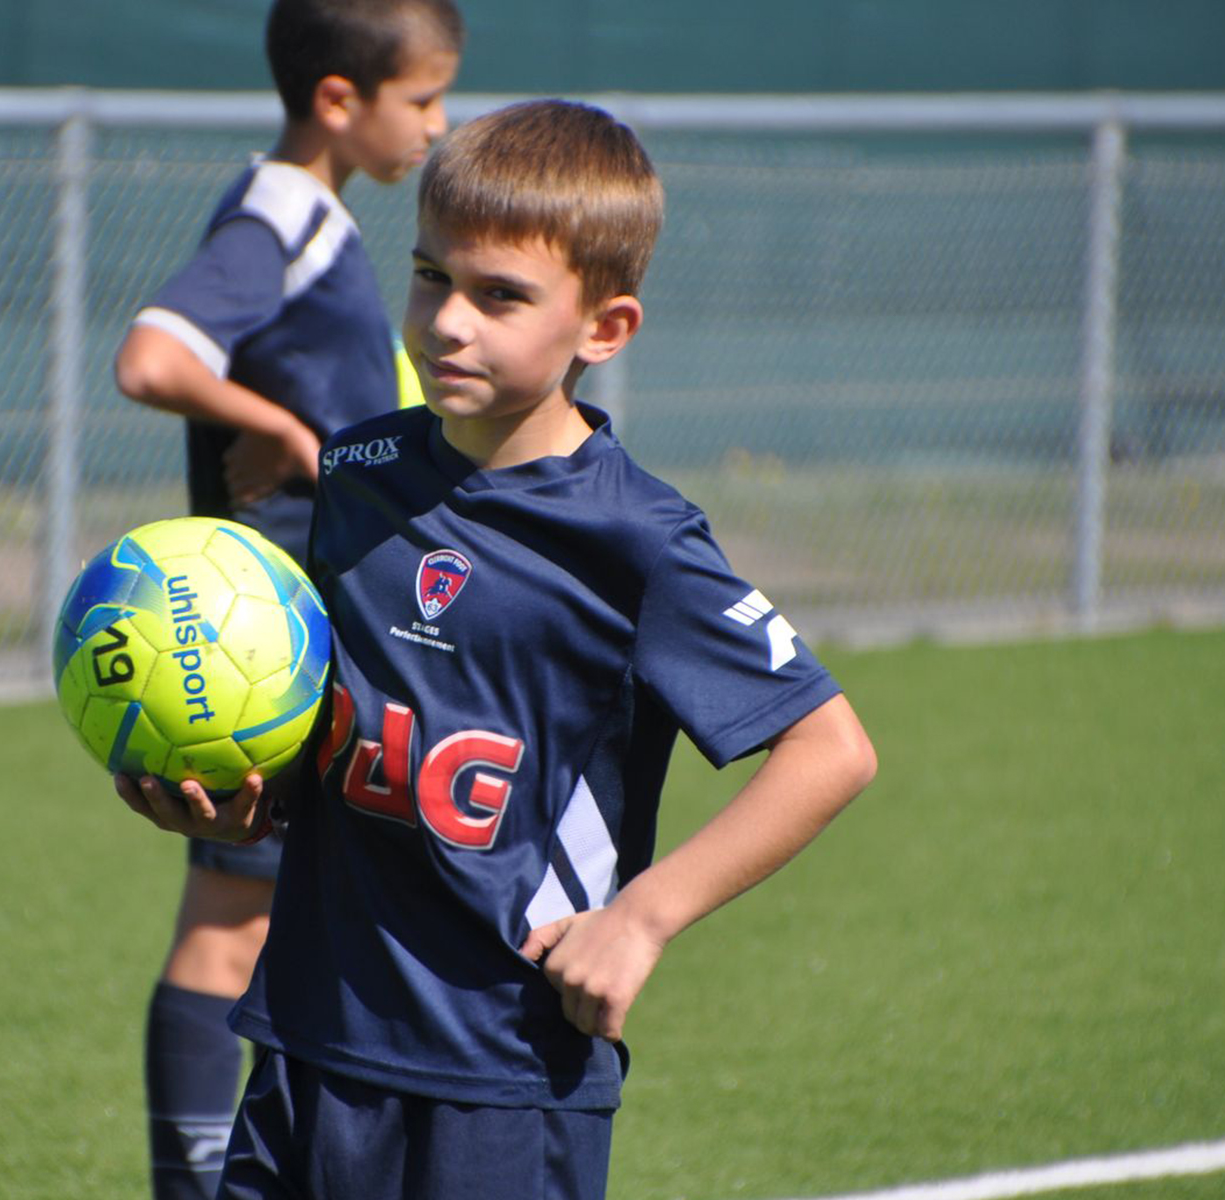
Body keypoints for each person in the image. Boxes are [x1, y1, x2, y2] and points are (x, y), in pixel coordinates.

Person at [118, 98, 877, 1200]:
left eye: (500, 295)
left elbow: (830, 748)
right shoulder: (358, 469)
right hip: (308, 1039)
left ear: (603, 329)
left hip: (503, 1075)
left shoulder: (638, 541)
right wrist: (252, 801)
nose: (448, 322)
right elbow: (345, 725)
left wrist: (641, 919)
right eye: (431, 276)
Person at [111, 2, 463, 1197]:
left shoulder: (307, 215)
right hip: (260, 638)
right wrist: (283, 430)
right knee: (229, 921)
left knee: (280, 917)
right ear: (336, 100)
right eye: (420, 100)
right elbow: (151, 358)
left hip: (314, 623)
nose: (437, 123)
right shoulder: (281, 215)